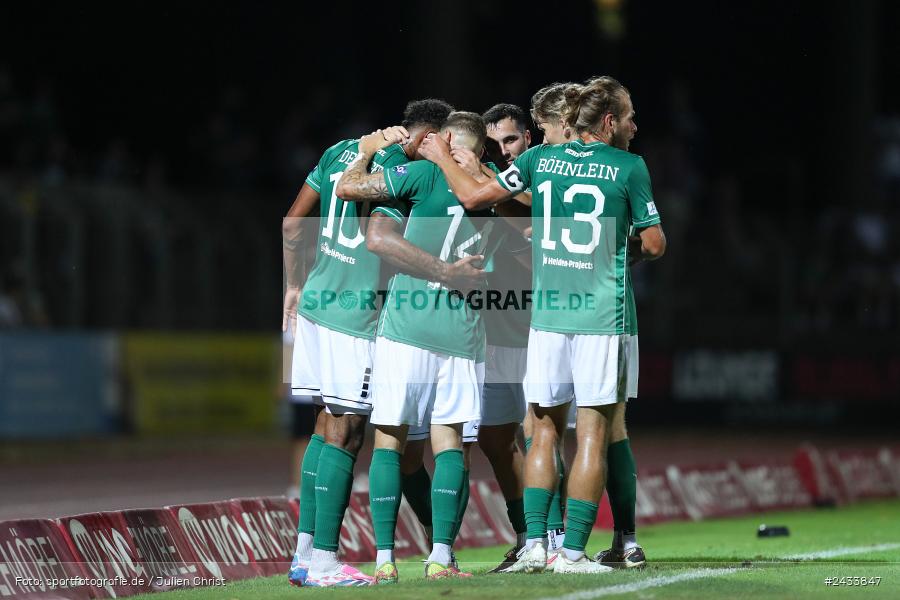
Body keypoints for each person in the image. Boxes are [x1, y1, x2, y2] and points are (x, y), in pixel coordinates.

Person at [418, 76, 666, 574]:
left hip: (547, 318)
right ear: (609, 121)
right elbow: (655, 243)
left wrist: (443, 158)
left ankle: (536, 545)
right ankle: (574, 551)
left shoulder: (535, 163)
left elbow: (475, 198)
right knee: (595, 432)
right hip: (600, 316)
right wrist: (611, 255)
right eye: (630, 115)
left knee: (542, 431)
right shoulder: (628, 167)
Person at [282, 98, 454, 587]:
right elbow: (377, 237)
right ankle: (325, 563)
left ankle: (305, 553)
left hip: (316, 300)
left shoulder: (341, 149)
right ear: (425, 139)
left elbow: (294, 224)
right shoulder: (399, 166)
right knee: (349, 432)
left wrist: (294, 285)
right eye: (443, 144)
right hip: (356, 314)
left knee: (323, 425)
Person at [337, 111, 498, 582]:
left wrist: (367, 152)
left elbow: (350, 188)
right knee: (450, 445)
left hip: (406, 324)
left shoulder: (424, 173)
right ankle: (441, 558)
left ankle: (384, 559)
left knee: (389, 440)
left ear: (443, 140)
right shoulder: (493, 191)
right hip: (462, 331)